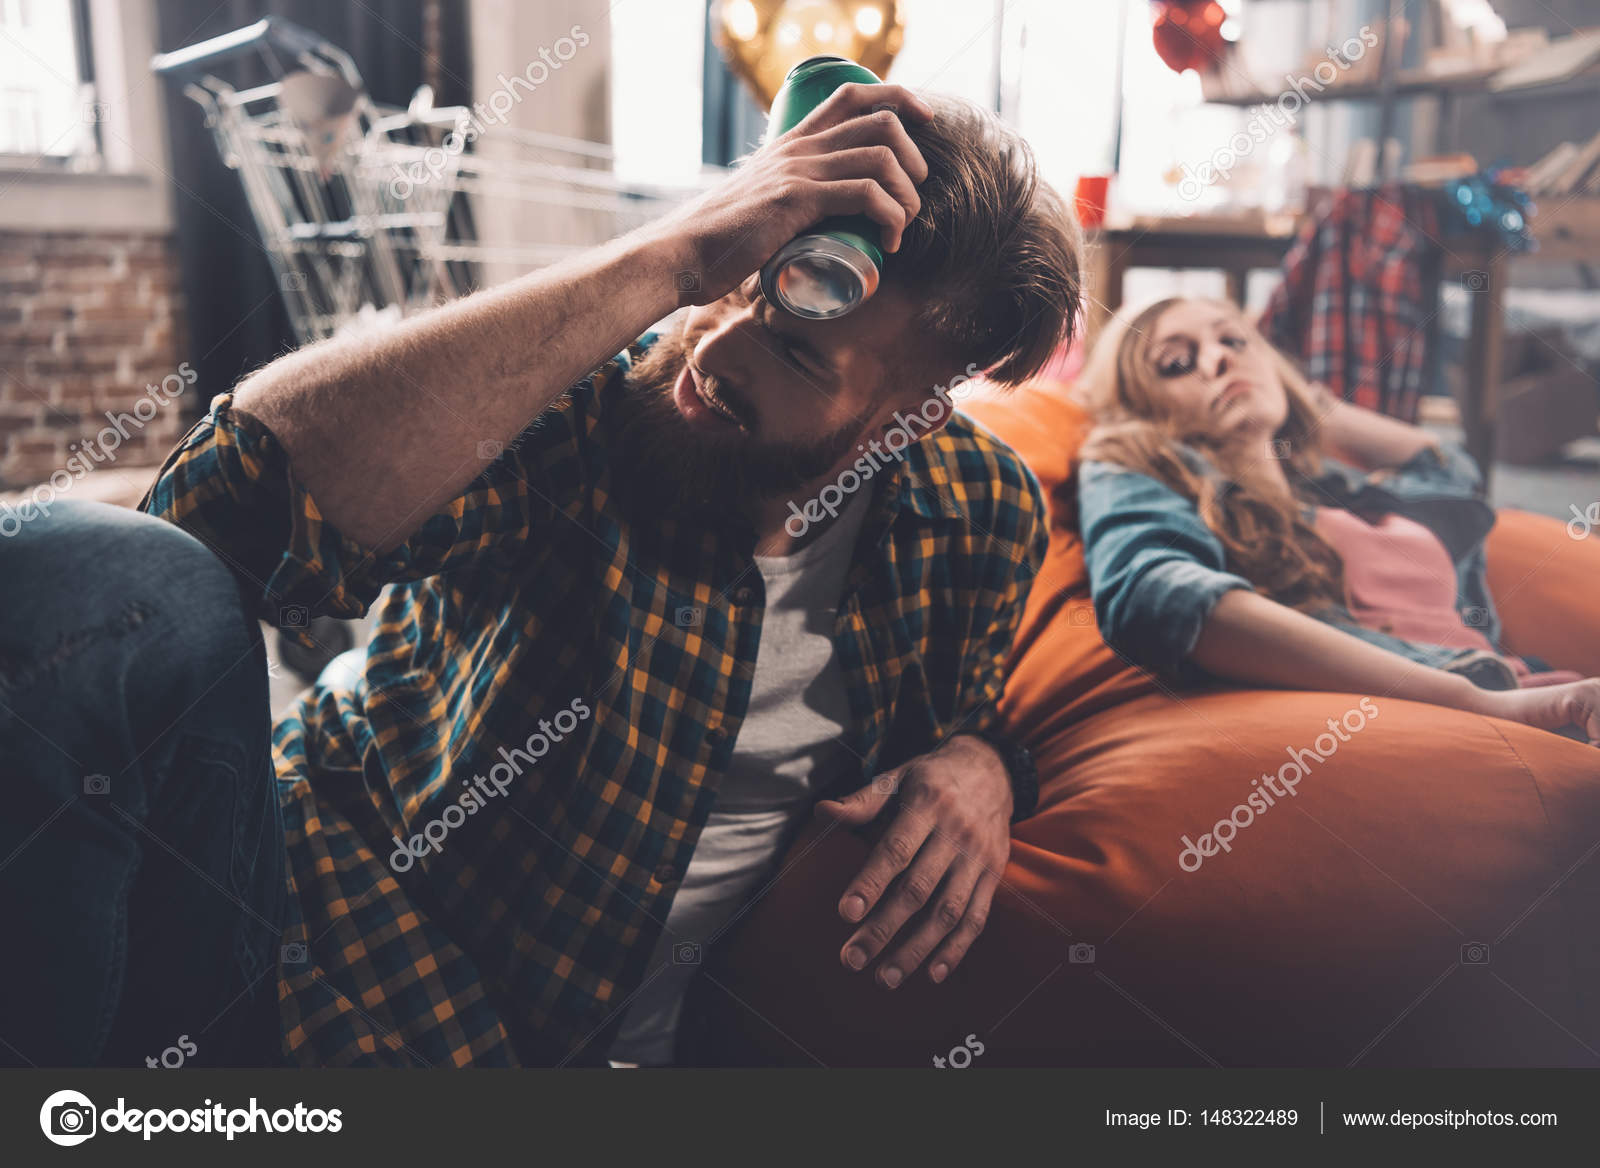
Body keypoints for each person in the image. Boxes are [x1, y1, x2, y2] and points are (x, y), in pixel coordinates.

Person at [0, 82, 1082, 1068]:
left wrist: (985, 761)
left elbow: (972, 711)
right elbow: (213, 521)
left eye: (799, 351)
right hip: (282, 925)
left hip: (528, 1058)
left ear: (915, 414)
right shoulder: (590, 411)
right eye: (739, 289)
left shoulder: (976, 521)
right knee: (77, 572)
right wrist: (667, 259)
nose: (715, 349)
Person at [1069, 296, 1600, 746]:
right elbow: (1157, 596)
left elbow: (1447, 472)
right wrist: (1477, 701)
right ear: (1138, 410)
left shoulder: (1335, 490)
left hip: (1531, 686)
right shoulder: (1130, 466)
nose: (1218, 361)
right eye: (1177, 363)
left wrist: (1300, 397)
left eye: (1232, 340)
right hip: (1463, 718)